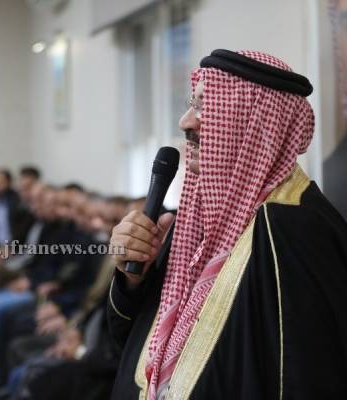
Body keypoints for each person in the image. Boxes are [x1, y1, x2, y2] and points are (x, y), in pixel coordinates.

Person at [107, 49, 347, 399]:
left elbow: (308, 380)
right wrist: (132, 278)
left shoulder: (295, 230)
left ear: (255, 124)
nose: (186, 122)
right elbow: (128, 345)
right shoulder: (195, 217)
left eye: (206, 106)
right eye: (192, 105)